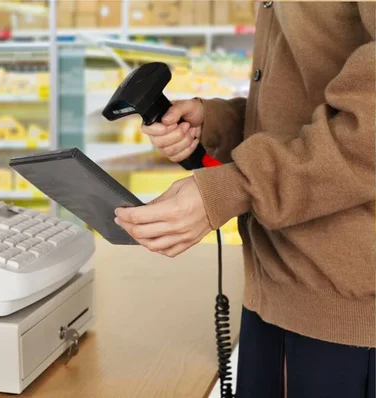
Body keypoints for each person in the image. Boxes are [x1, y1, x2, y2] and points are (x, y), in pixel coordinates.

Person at [114, 2, 375, 397]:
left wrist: (238, 185)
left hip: (346, 312)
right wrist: (220, 123)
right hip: (272, 286)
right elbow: (304, 95)